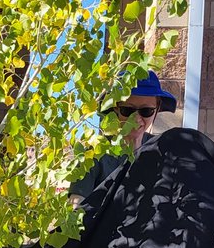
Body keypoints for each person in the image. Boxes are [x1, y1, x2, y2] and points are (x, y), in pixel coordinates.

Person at [70, 70, 177, 200]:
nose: (136, 119)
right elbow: (76, 206)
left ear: (157, 109)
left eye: (146, 111)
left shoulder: (164, 150)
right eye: (128, 110)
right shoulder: (94, 153)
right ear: (115, 107)